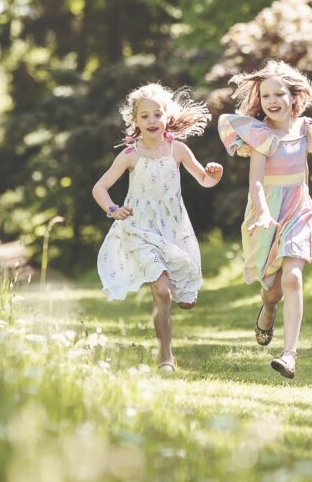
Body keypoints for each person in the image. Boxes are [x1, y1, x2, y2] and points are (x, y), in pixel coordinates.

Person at [93, 83, 224, 372]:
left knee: (186, 301)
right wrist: (114, 209)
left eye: (157, 114)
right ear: (135, 121)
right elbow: (99, 188)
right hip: (139, 230)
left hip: (174, 230)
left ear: (167, 116)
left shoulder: (178, 150)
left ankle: (185, 294)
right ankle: (166, 357)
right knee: (162, 291)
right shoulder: (130, 155)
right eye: (144, 116)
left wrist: (214, 174)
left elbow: (204, 180)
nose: (152, 120)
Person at [218, 60, 312, 379]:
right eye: (265, 95)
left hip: (298, 208)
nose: (272, 101)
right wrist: (265, 211)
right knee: (272, 290)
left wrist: (309, 199)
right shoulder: (260, 134)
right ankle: (268, 308)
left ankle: (289, 354)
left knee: (293, 276)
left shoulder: (305, 128)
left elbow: (302, 170)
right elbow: (255, 181)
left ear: (293, 96)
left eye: (278, 93)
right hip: (265, 209)